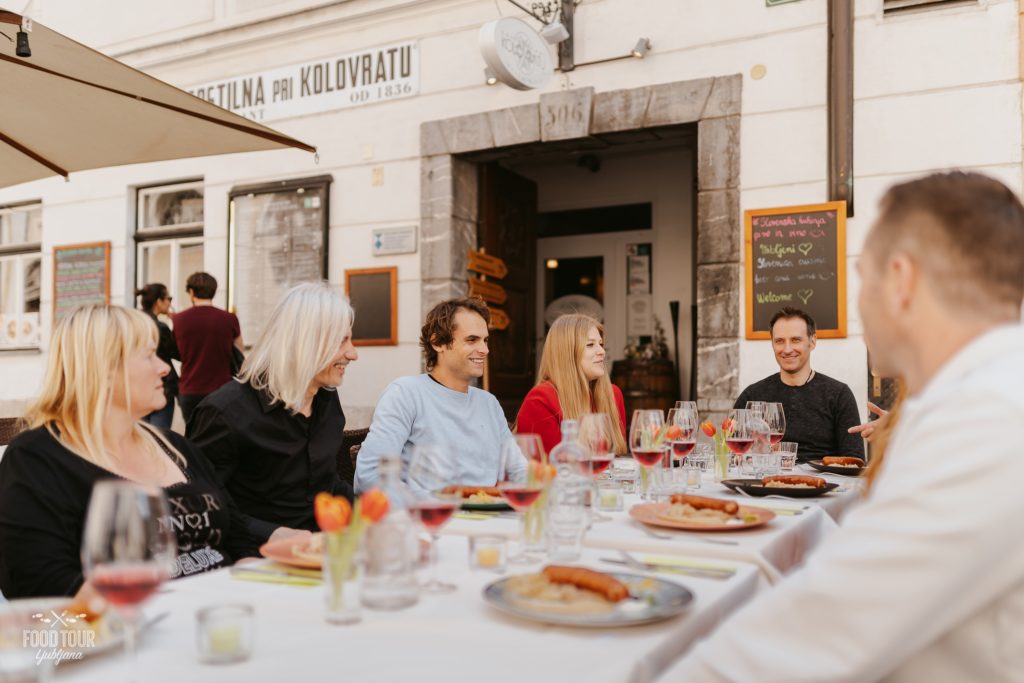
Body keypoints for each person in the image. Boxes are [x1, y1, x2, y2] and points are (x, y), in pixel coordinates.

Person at [663, 171, 1024, 681]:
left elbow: (813, 634)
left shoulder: (984, 423)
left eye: (864, 277)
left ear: (900, 280)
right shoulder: (978, 399)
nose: (859, 303)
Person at [0, 305, 260, 599]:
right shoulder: (37, 458)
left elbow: (239, 540)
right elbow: (41, 583)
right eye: (149, 355)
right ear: (105, 370)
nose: (164, 367)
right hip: (127, 630)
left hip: (220, 617)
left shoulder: (177, 446)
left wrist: (251, 594)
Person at [187, 283, 357, 544]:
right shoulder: (225, 412)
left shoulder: (326, 399)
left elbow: (326, 484)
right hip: (255, 562)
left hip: (323, 552)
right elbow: (201, 507)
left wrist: (377, 512)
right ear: (304, 342)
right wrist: (274, 535)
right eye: (341, 341)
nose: (353, 353)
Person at [355, 297, 526, 493]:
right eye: (472, 340)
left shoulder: (489, 402)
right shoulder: (405, 394)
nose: (485, 350)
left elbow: (519, 470)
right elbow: (370, 476)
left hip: (493, 518)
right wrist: (441, 504)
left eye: (485, 340)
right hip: (430, 518)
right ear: (438, 343)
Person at [734, 307, 864, 461]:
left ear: (813, 341)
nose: (787, 349)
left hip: (823, 482)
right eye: (780, 341)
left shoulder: (839, 394)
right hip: (766, 480)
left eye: (796, 340)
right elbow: (730, 452)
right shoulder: (752, 395)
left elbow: (854, 460)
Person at [516, 313, 627, 454]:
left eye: (601, 344)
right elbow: (549, 469)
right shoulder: (541, 400)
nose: (602, 352)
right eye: (590, 345)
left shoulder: (613, 394)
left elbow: (618, 459)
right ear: (567, 353)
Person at [173, 272, 243, 422]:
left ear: (191, 292)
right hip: (222, 389)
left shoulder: (178, 319)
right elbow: (240, 351)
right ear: (214, 291)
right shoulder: (229, 319)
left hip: (190, 388)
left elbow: (178, 351)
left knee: (193, 437)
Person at [136, 283, 180, 429]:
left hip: (138, 386)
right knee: (159, 437)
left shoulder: (134, 323)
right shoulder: (159, 327)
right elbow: (178, 353)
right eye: (169, 298)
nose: (170, 302)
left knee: (141, 434)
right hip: (162, 386)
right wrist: (177, 323)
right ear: (159, 301)